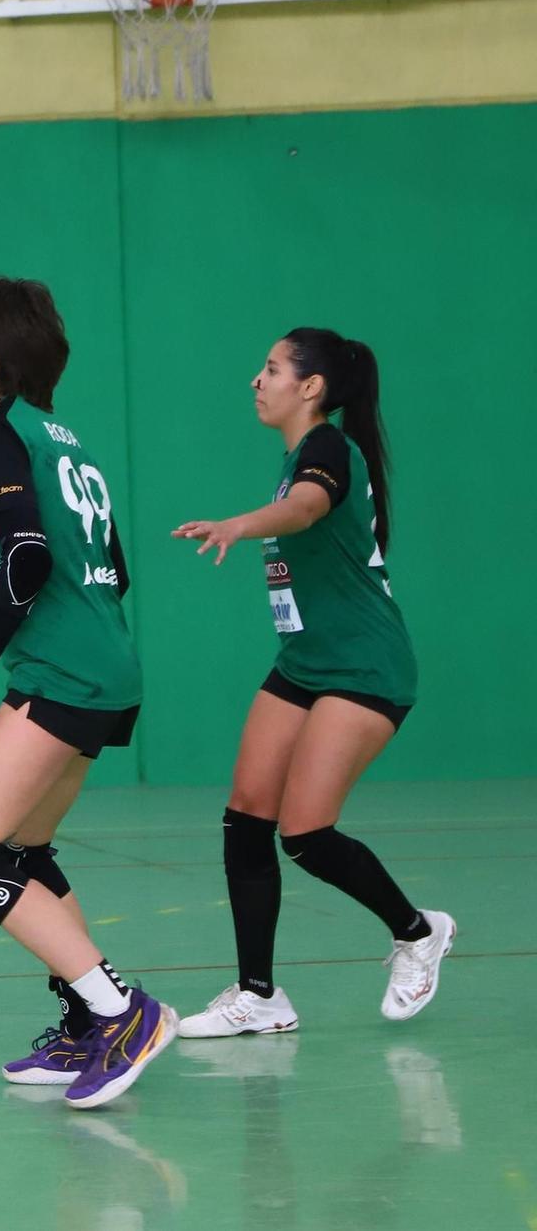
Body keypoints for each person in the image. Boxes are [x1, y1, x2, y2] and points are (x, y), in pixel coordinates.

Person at [0, 276, 170, 1110]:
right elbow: (117, 569)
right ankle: (83, 1023)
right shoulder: (67, 438)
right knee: (23, 854)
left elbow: (26, 556)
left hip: (60, 672)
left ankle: (121, 1011)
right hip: (108, 665)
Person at [172, 328, 450, 1039]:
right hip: (304, 662)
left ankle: (418, 933)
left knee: (305, 831)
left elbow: (303, 509)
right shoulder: (300, 455)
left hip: (365, 667)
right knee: (245, 816)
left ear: (312, 387)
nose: (255, 380)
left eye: (270, 369)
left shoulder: (327, 450)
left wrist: (239, 524)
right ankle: (259, 995)